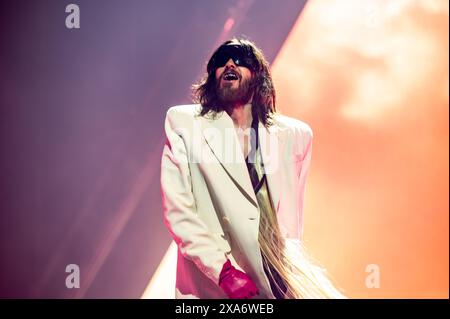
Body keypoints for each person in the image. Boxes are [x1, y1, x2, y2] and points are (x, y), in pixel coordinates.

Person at [160, 38, 345, 299]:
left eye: (241, 59)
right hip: (215, 286)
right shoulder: (184, 123)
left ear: (259, 76)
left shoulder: (295, 135)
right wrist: (223, 271)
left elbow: (291, 222)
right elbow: (178, 212)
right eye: (221, 59)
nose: (229, 63)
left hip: (276, 279)